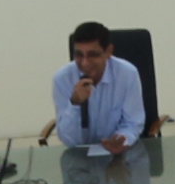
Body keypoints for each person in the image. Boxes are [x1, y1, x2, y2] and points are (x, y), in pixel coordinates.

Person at [51, 19, 146, 154]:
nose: (85, 63)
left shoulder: (127, 74)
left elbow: (133, 123)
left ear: (108, 51)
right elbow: (69, 141)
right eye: (79, 55)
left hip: (120, 155)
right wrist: (74, 104)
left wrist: (121, 140)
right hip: (80, 158)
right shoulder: (62, 79)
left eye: (92, 55)